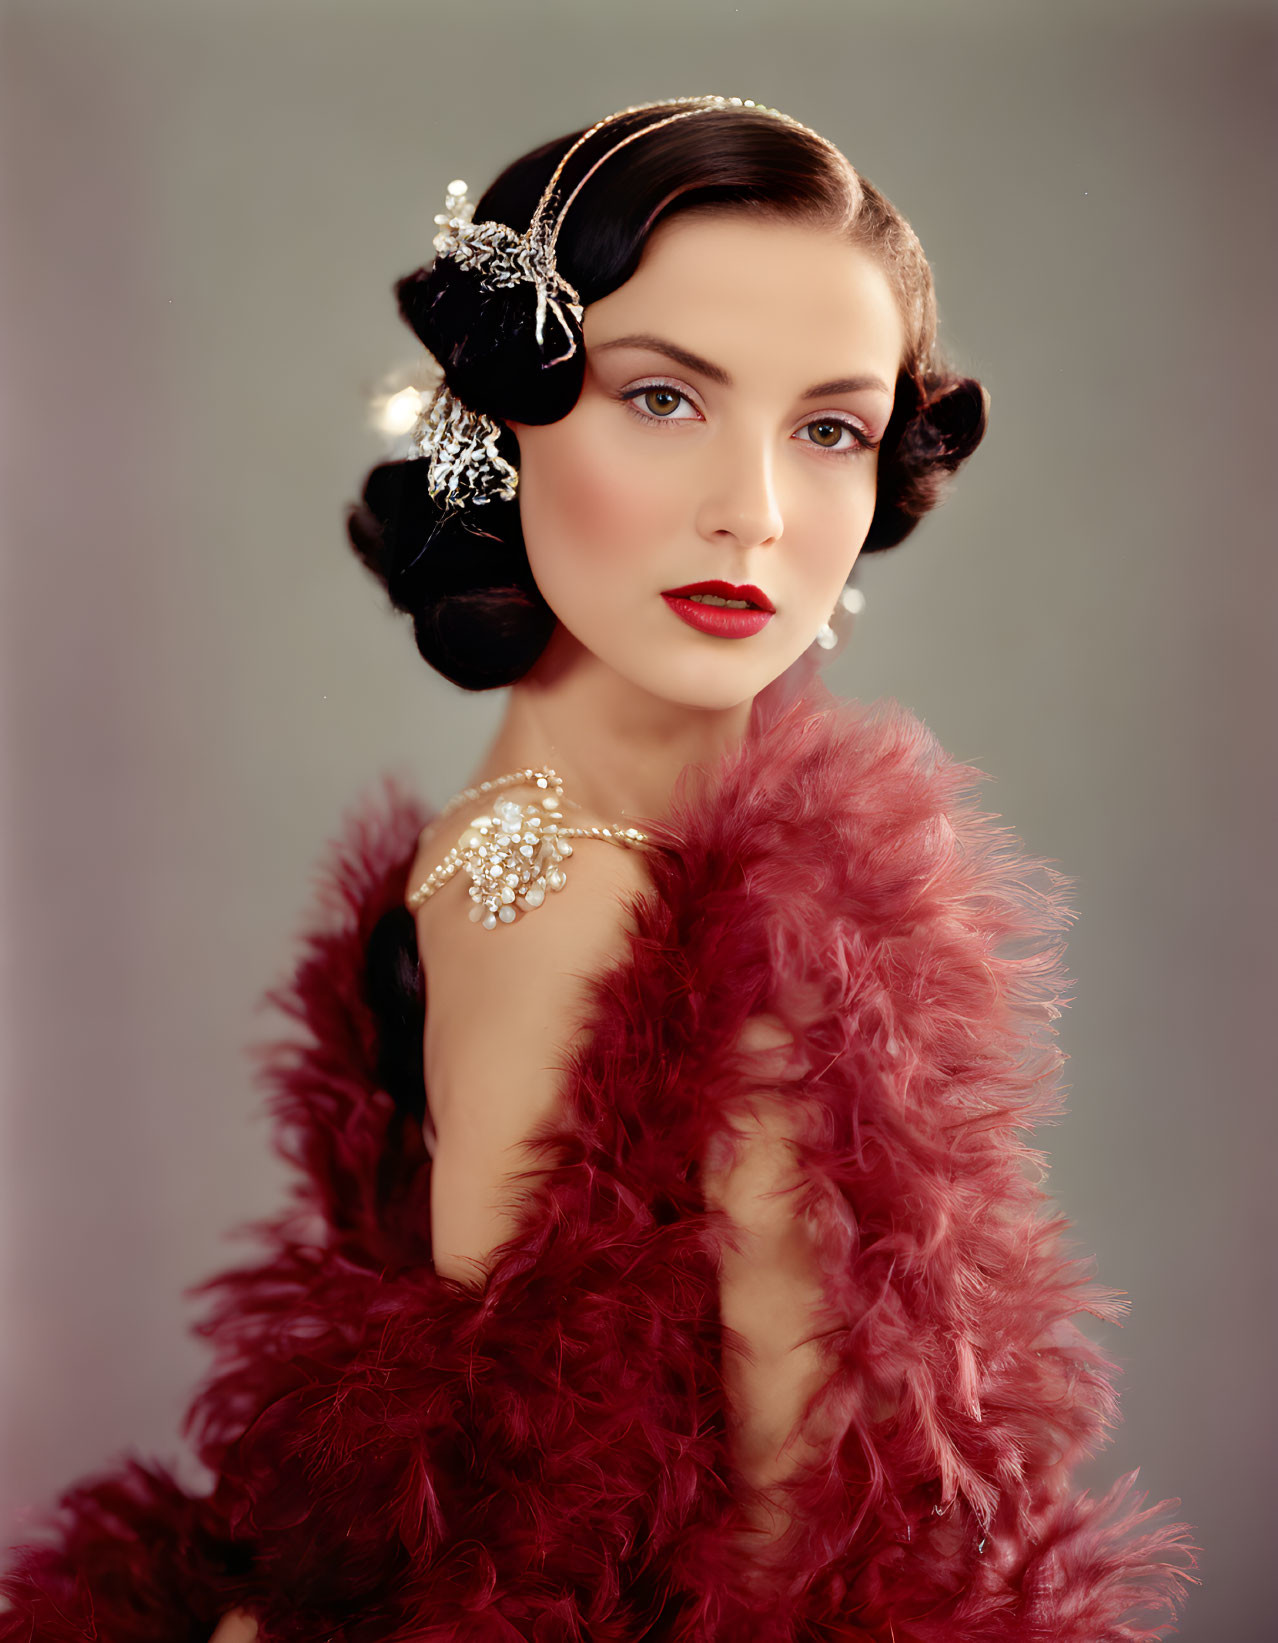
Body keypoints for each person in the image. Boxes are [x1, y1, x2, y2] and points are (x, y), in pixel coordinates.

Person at [0, 96, 1197, 1642]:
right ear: (501, 420)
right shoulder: (588, 885)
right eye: (662, 399)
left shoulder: (614, 854)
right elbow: (628, 1520)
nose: (754, 514)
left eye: (827, 428)